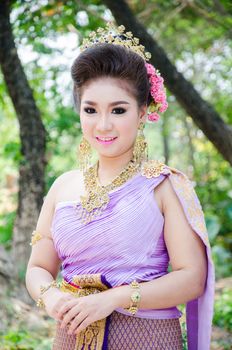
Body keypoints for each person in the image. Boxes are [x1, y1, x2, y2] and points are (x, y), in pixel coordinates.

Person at [25, 23, 214, 350]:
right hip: (70, 338)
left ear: (142, 112)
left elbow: (192, 278)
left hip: (147, 339)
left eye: (118, 110)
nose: (103, 125)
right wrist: (51, 296)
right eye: (91, 110)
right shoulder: (62, 187)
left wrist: (114, 299)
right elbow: (39, 267)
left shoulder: (164, 186)